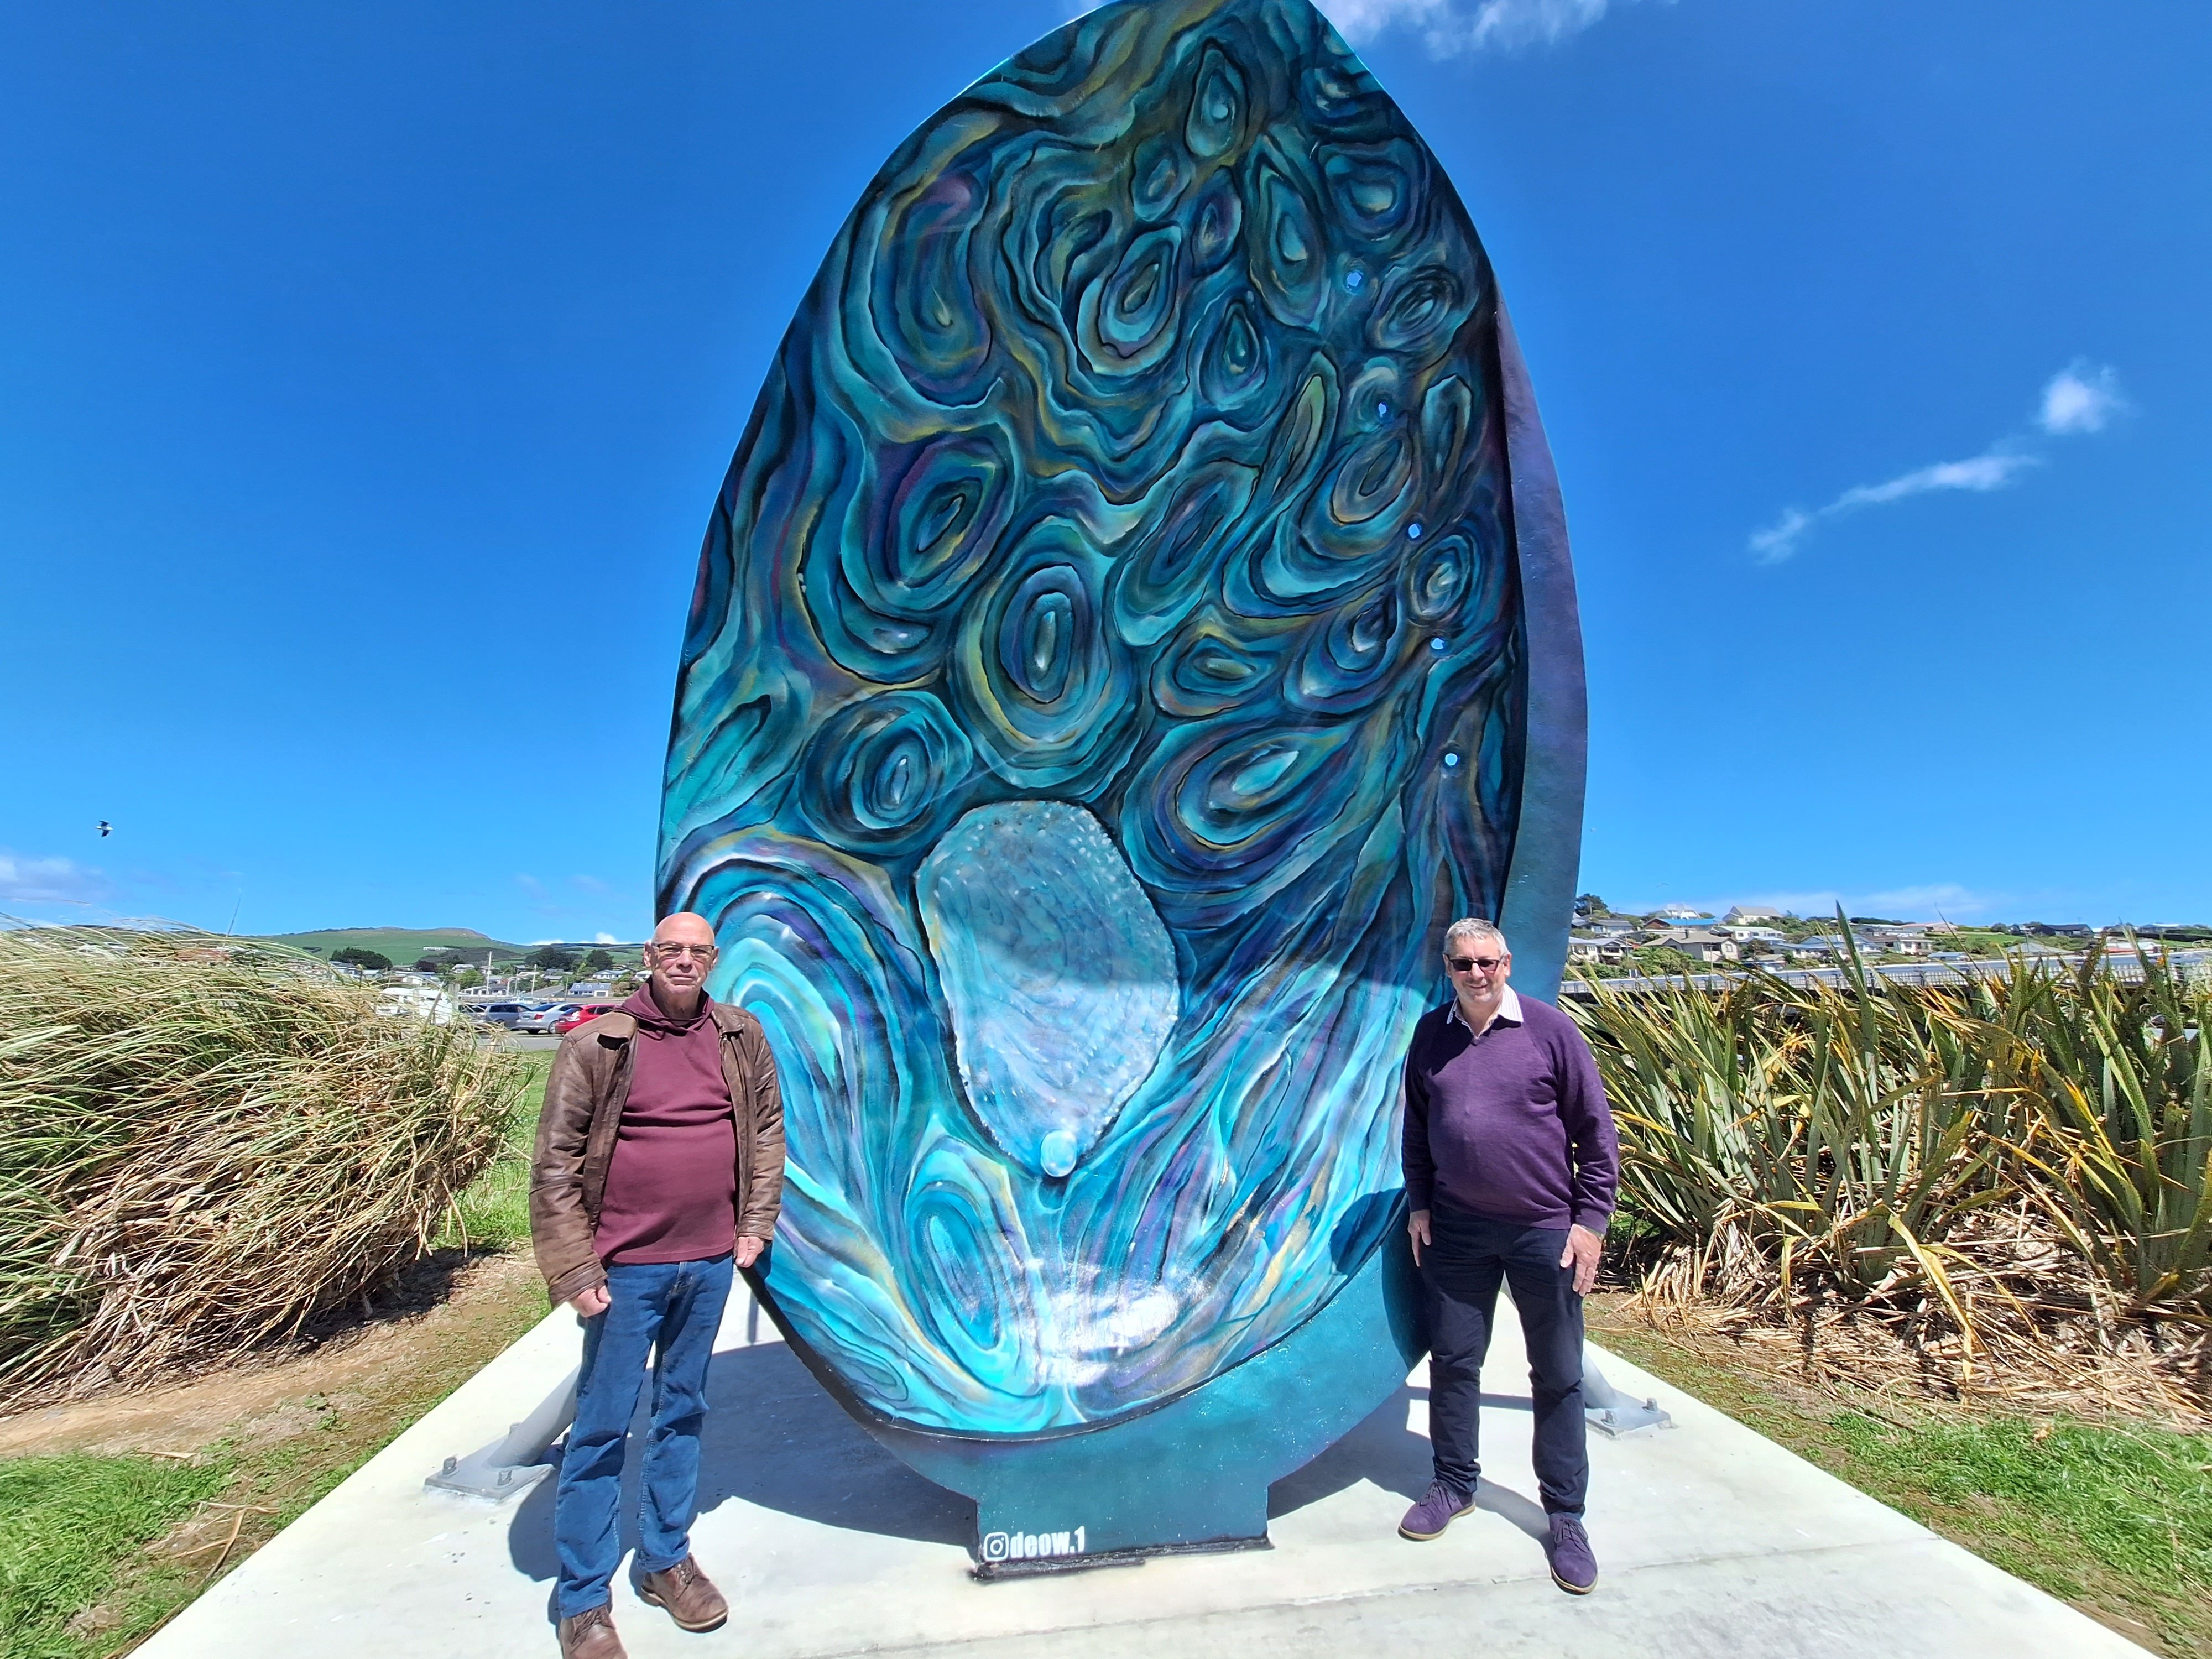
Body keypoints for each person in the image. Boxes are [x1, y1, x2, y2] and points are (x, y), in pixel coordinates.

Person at [529, 912, 785, 1658]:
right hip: (626, 1271)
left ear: (714, 961)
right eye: (670, 950)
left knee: (682, 1412)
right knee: (604, 1425)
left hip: (708, 1263)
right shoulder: (600, 1043)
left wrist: (755, 1222)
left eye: (696, 952)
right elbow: (554, 1166)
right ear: (649, 957)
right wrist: (573, 1266)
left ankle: (665, 1561)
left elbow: (766, 1132)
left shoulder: (740, 1035)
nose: (683, 961)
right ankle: (582, 1599)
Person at [1397, 916, 1618, 1595]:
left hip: (1543, 1231)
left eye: (1486, 962)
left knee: (1555, 1375)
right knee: (1456, 1362)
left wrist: (1590, 1222)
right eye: (1462, 964)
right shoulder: (1430, 1035)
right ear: (1447, 967)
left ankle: (1565, 1518)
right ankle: (1454, 1484)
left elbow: (1595, 1133)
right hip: (1459, 1232)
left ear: (1507, 963)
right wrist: (1422, 1204)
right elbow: (1416, 1128)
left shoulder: (1551, 1032)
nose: (1476, 974)